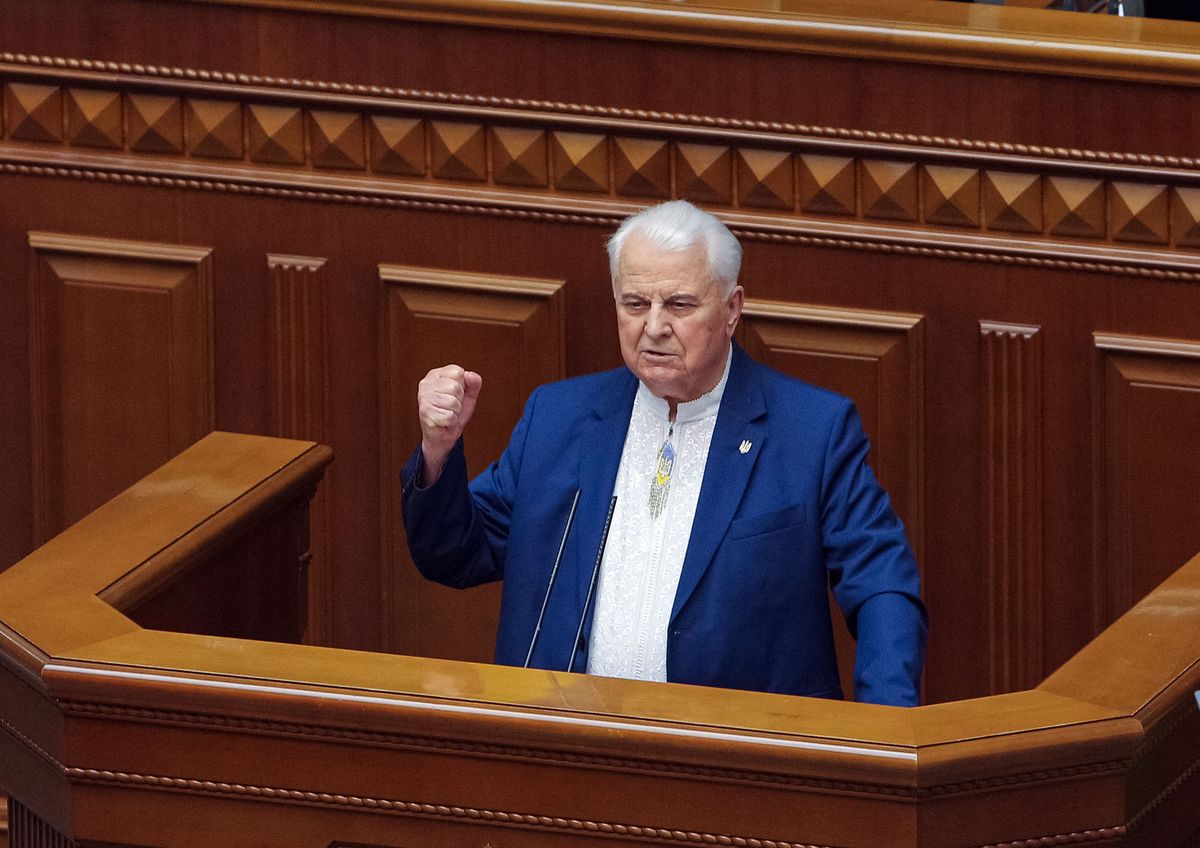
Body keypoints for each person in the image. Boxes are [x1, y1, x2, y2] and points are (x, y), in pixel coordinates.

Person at [402, 200, 926, 706]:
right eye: (635, 304)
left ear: (731, 309)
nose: (653, 326)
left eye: (678, 304)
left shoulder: (813, 432)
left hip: (743, 764)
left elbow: (883, 585)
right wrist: (438, 452)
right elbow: (455, 555)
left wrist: (882, 738)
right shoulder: (558, 417)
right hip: (563, 749)